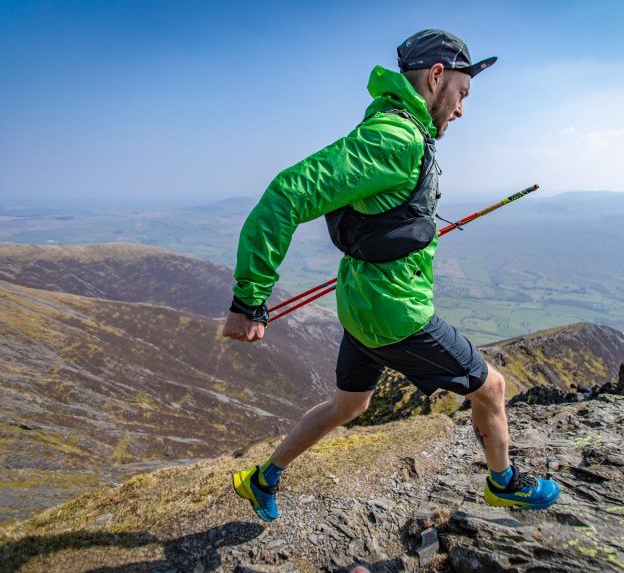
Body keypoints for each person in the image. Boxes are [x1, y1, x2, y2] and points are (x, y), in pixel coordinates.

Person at [222, 29, 560, 522]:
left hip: (362, 304)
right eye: (462, 94)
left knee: (347, 406)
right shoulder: (395, 138)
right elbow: (288, 193)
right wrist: (249, 301)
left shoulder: (397, 129)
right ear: (437, 76)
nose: (462, 110)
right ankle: (503, 484)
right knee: (492, 388)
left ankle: (261, 479)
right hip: (394, 314)